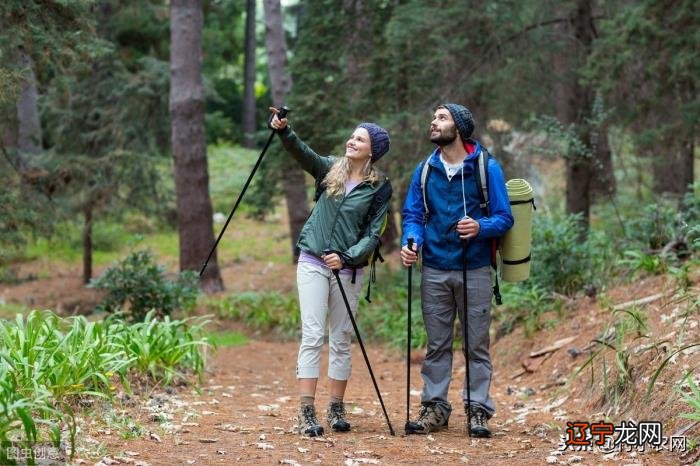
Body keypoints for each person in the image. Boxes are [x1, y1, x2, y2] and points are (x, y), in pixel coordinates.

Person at [269, 107, 392, 437]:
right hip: (312, 261)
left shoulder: (380, 188)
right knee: (312, 335)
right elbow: (302, 153)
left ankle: (336, 406)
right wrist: (284, 131)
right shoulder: (329, 170)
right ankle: (306, 411)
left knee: (341, 338)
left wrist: (348, 257)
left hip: (348, 270)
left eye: (360, 139)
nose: (352, 141)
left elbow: (373, 234)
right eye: (352, 136)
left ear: (373, 150)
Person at [400, 103, 513, 437]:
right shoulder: (425, 170)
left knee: (476, 345)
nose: (433, 122)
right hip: (434, 267)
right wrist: (411, 242)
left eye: (441, 118)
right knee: (436, 345)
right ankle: (435, 407)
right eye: (433, 117)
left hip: (475, 268)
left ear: (459, 128)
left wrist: (480, 227)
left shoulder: (486, 167)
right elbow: (413, 216)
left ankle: (477, 409)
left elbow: (505, 218)